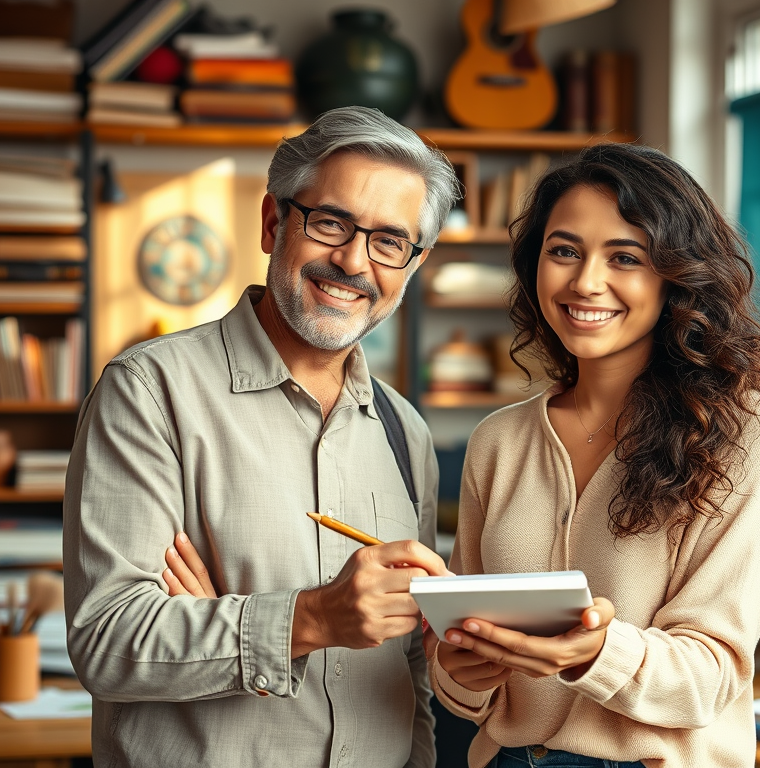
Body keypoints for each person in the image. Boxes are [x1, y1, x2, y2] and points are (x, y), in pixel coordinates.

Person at [63, 106, 461, 768]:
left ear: (412, 264)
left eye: (390, 241)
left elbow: (409, 669)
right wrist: (309, 620)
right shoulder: (150, 391)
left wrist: (223, 623)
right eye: (331, 222)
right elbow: (108, 639)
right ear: (275, 224)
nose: (354, 262)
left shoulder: (405, 432)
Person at [423, 143, 760, 768]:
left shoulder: (741, 432)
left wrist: (593, 653)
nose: (585, 281)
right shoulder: (498, 441)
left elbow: (713, 673)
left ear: (676, 275)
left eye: (625, 257)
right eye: (563, 250)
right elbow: (461, 683)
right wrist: (462, 669)